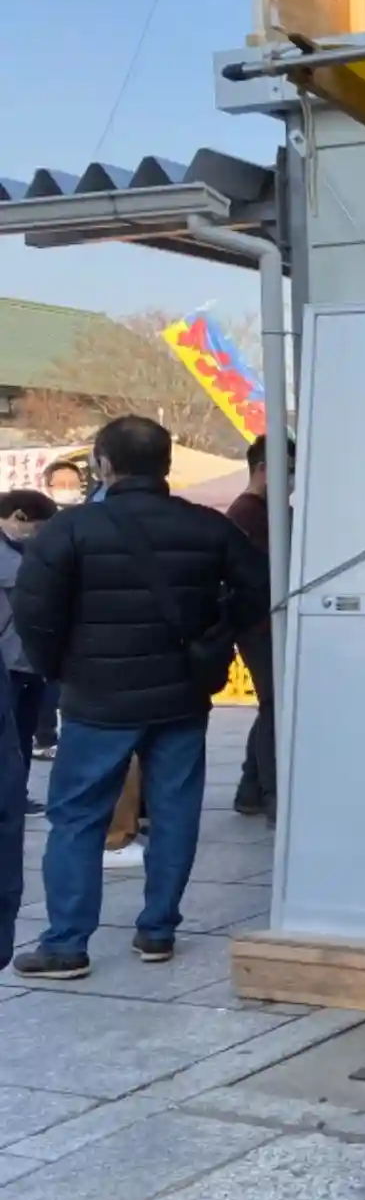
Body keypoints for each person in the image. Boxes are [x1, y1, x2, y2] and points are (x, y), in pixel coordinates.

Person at [9, 417, 269, 979]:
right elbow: (257, 589)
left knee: (78, 817)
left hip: (96, 698)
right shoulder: (209, 527)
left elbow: (33, 609)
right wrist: (214, 638)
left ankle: (66, 944)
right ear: (166, 464)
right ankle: (157, 931)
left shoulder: (71, 530)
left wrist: (60, 667)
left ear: (103, 463)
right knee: (175, 811)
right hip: (181, 695)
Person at [225, 435, 289, 819]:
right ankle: (270, 792)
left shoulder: (260, 511)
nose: (293, 480)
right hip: (260, 624)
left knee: (271, 705)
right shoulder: (250, 514)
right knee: (275, 707)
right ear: (264, 469)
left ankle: (250, 789)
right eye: (289, 470)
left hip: (261, 623)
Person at [0, 490, 56, 814]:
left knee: (23, 732)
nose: (37, 535)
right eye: (36, 528)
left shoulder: (25, 548)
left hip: (31, 657)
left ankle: (16, 795)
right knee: (8, 735)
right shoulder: (11, 555)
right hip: (8, 658)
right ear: (18, 517)